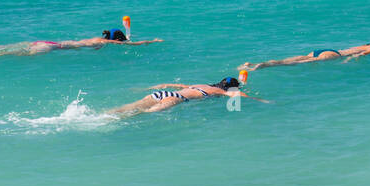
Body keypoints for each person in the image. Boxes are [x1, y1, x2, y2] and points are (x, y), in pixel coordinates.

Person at [0, 19, 160, 57]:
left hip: (46, 42)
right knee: (10, 54)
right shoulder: (104, 42)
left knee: (2, 46)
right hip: (50, 48)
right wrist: (150, 42)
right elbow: (132, 45)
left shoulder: (96, 38)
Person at [240, 33, 370, 75]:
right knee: (295, 63)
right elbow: (360, 55)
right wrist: (347, 63)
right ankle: (262, 67)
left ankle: (254, 64)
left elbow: (362, 49)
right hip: (334, 56)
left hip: (327, 50)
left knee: (290, 60)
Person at [107, 77, 258, 117]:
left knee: (127, 108)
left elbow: (168, 84)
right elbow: (237, 95)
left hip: (160, 94)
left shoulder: (201, 85)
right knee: (141, 114)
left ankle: (105, 114)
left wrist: (147, 88)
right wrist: (258, 99)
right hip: (174, 98)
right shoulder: (219, 92)